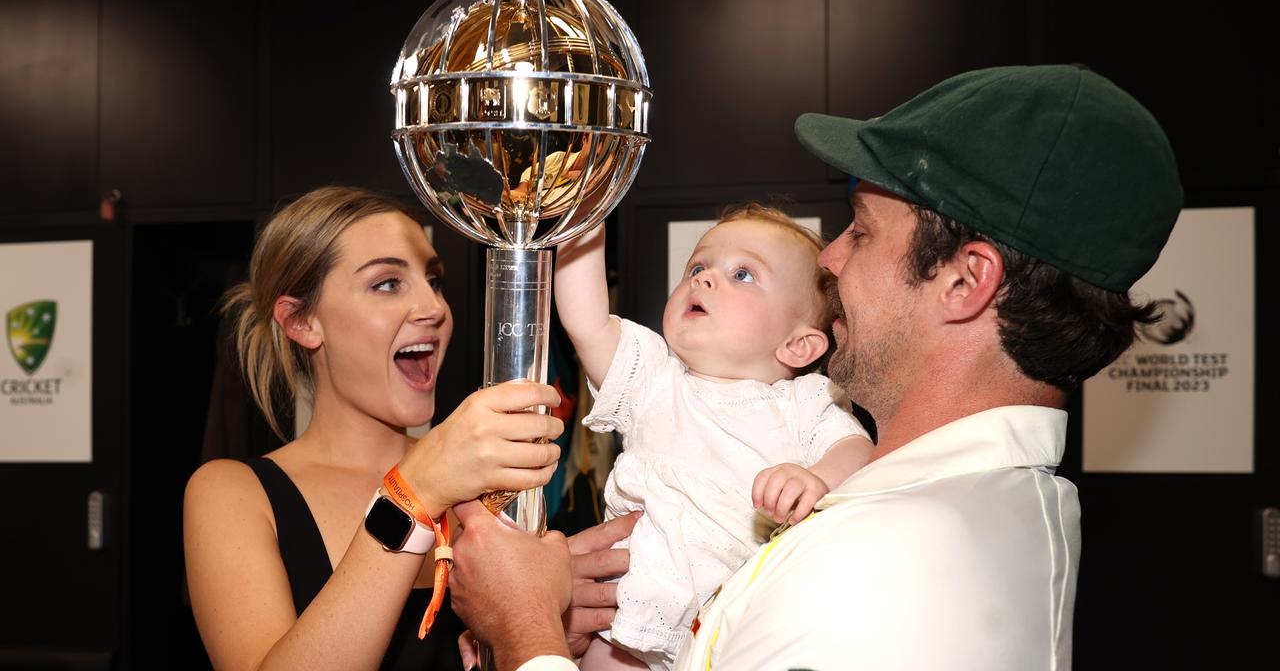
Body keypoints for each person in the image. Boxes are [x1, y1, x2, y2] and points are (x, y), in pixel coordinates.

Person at [446, 64, 1184, 670]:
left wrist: (524, 632)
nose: (830, 259)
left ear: (967, 281)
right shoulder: (949, 512)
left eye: (861, 233)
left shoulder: (889, 571)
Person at [182, 186, 635, 671]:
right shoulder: (233, 493)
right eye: (387, 284)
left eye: (433, 280)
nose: (434, 308)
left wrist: (544, 624)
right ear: (302, 322)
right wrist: (411, 495)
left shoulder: (481, 483)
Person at [554, 204, 874, 670]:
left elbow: (859, 451)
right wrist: (583, 218)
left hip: (741, 634)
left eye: (743, 274)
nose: (702, 279)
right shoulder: (655, 381)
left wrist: (818, 478)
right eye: (697, 267)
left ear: (798, 345)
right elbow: (586, 322)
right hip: (629, 626)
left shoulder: (805, 401)